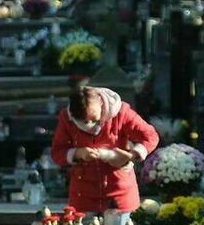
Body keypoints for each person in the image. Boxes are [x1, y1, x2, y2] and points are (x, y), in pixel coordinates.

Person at [51, 85, 159, 217]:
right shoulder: (66, 118)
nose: (88, 124)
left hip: (120, 193)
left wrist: (131, 155)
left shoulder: (121, 112)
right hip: (83, 197)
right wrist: (78, 153)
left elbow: (150, 136)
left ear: (102, 105)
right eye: (83, 121)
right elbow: (57, 152)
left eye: (93, 120)